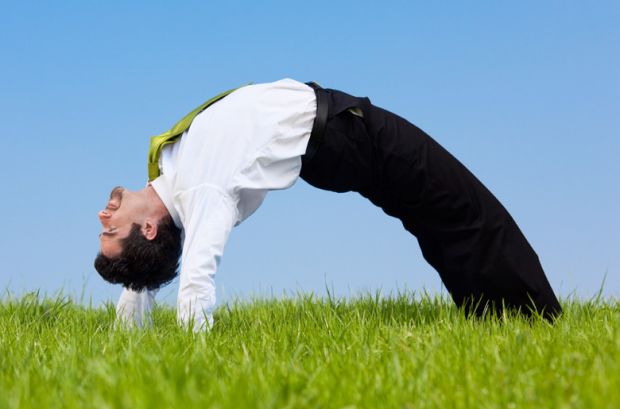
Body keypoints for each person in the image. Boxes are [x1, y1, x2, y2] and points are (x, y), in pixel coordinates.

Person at [94, 78, 562, 330]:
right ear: (150, 229)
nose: (103, 215)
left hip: (341, 131)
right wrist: (194, 337)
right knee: (460, 207)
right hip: (350, 135)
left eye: (104, 226)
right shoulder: (201, 195)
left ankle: (500, 318)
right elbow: (198, 272)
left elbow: (143, 264)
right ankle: (540, 320)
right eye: (110, 229)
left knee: (439, 217)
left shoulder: (171, 175)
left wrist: (131, 303)